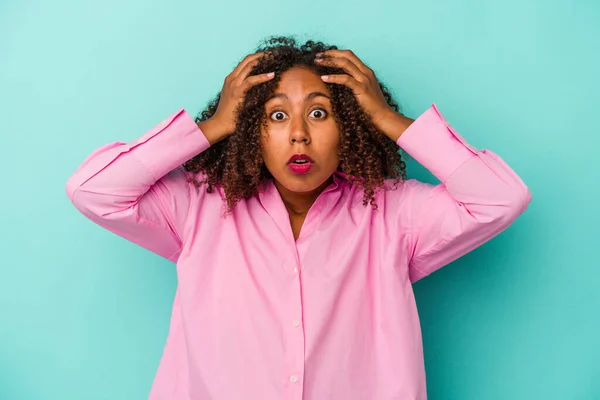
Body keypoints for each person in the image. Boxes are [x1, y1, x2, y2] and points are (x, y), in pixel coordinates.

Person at [65, 36, 532, 400]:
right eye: (275, 115)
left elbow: (500, 198)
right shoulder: (198, 208)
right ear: (250, 129)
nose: (299, 135)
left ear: (349, 126)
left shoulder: (393, 214)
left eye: (319, 112)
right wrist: (212, 126)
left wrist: (388, 119)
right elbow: (93, 190)